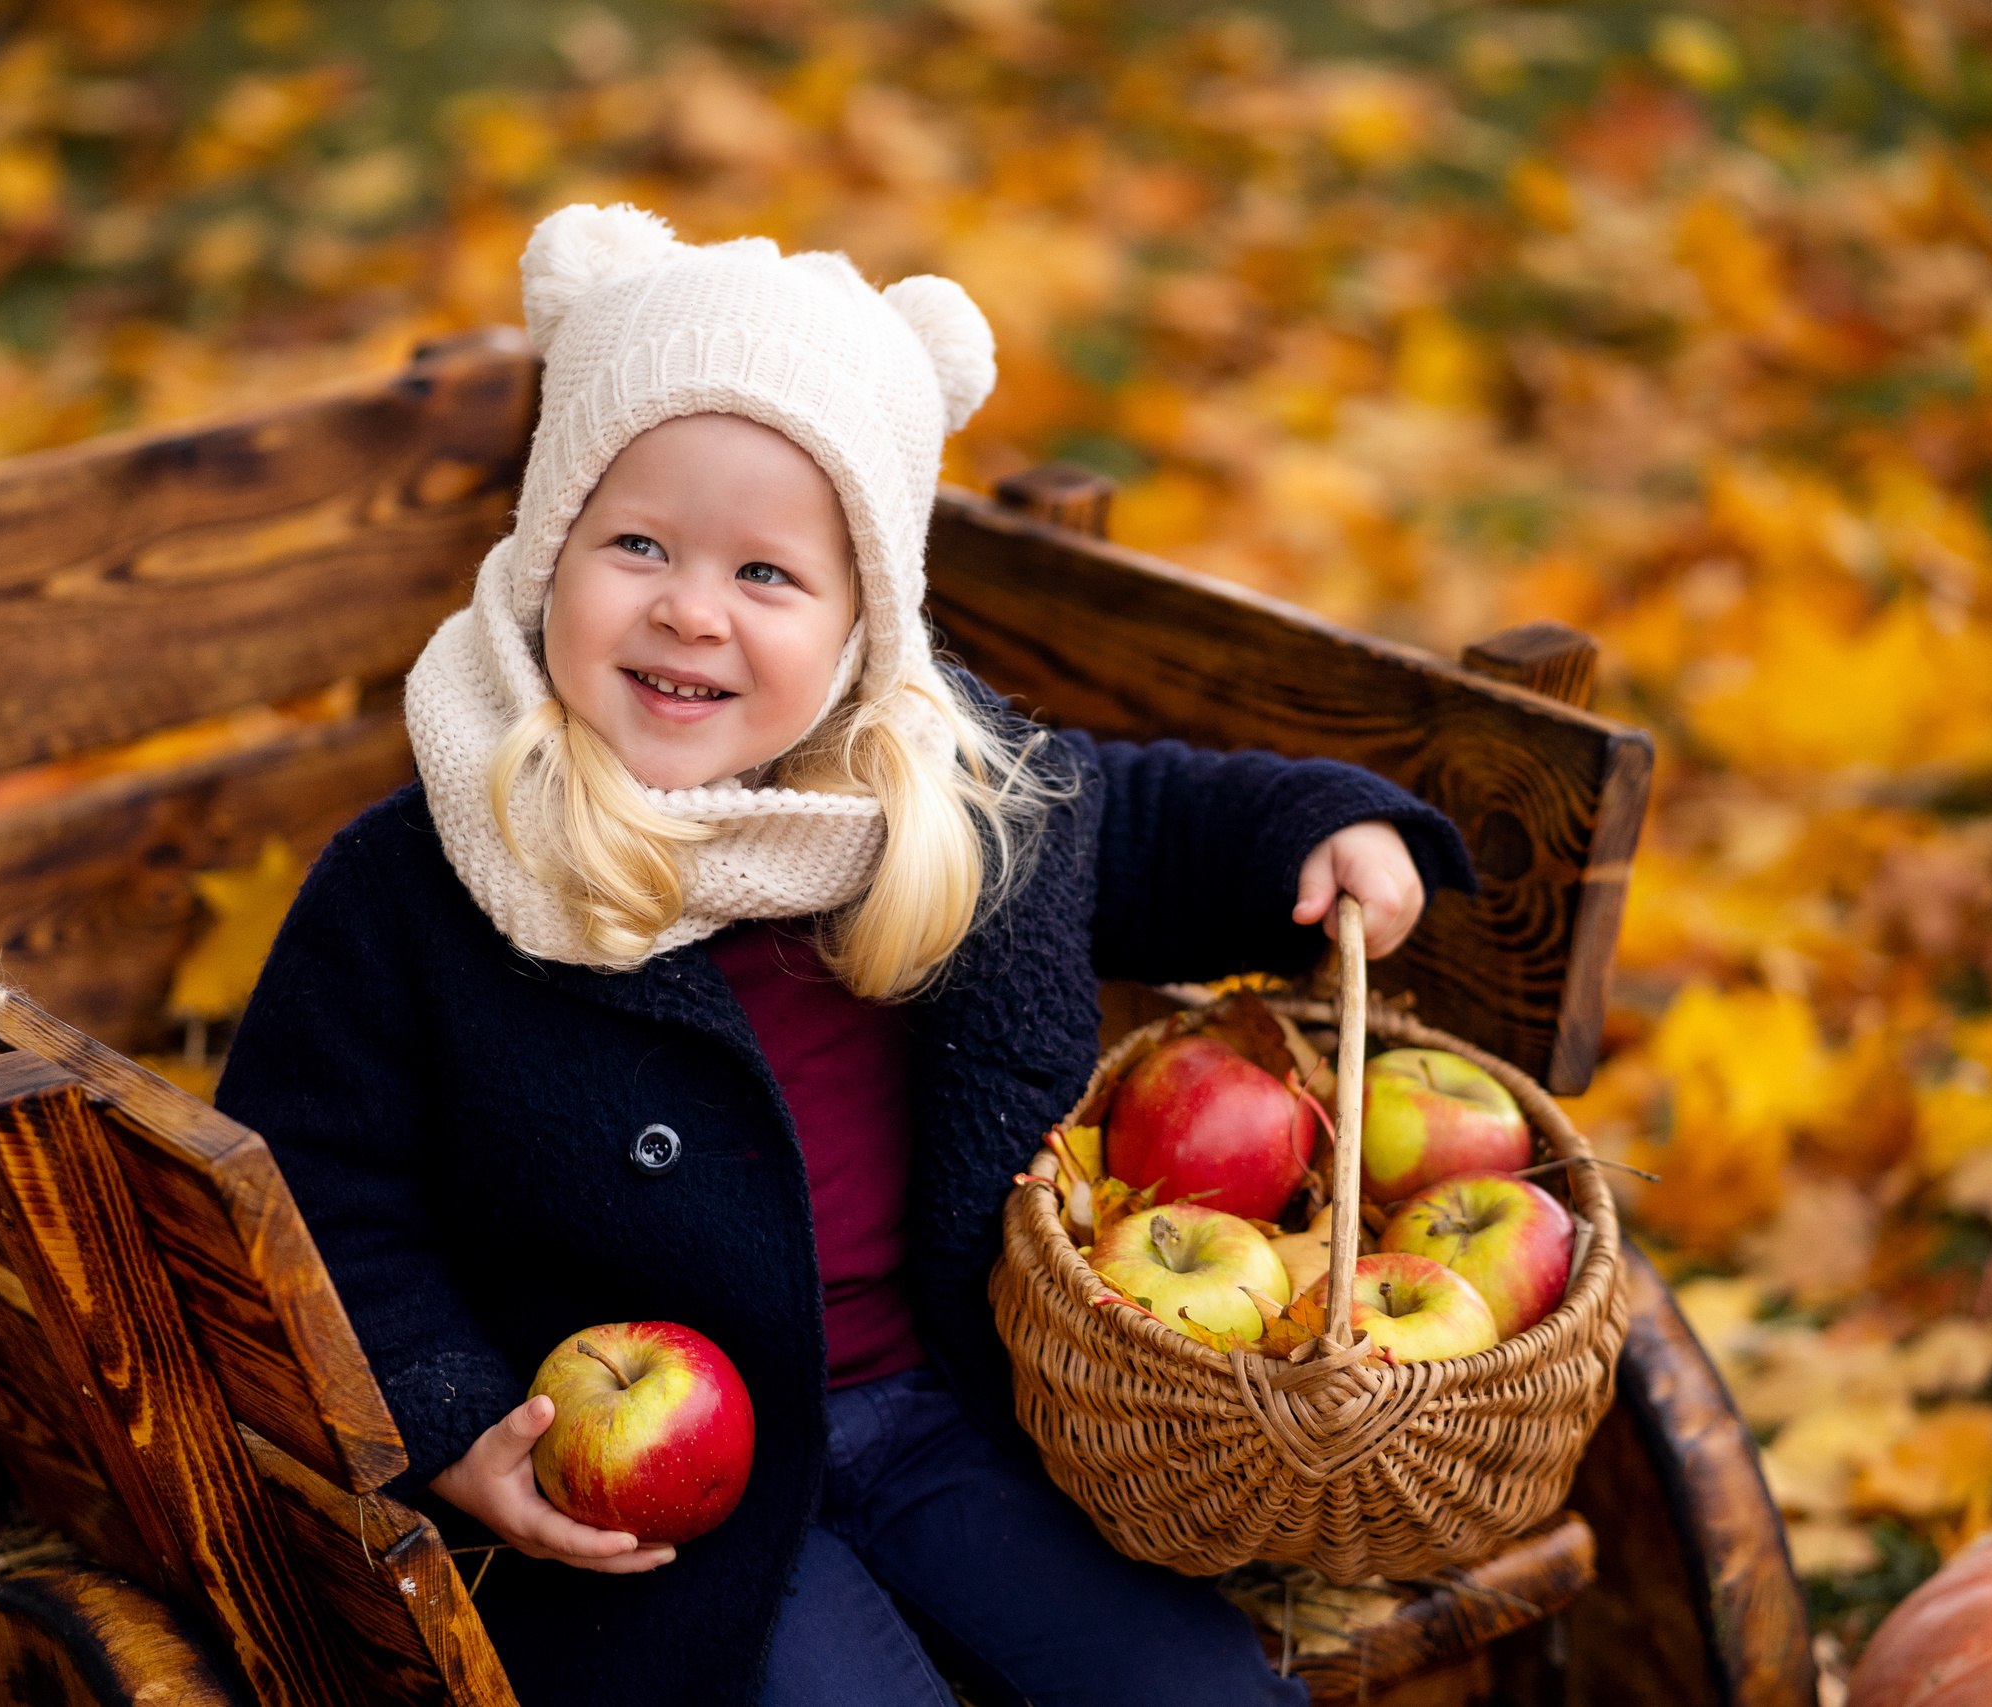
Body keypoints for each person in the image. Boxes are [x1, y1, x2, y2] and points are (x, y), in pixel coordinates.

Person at [217, 205, 1473, 1707]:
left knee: (1192, 1689)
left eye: (767, 576)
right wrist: (455, 1424)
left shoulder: (920, 791)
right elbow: (318, 1185)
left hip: (945, 1410)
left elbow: (1129, 818)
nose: (690, 607)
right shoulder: (419, 880)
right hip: (664, 1500)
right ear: (549, 546)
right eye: (636, 545)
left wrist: (1316, 828)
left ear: (864, 623)